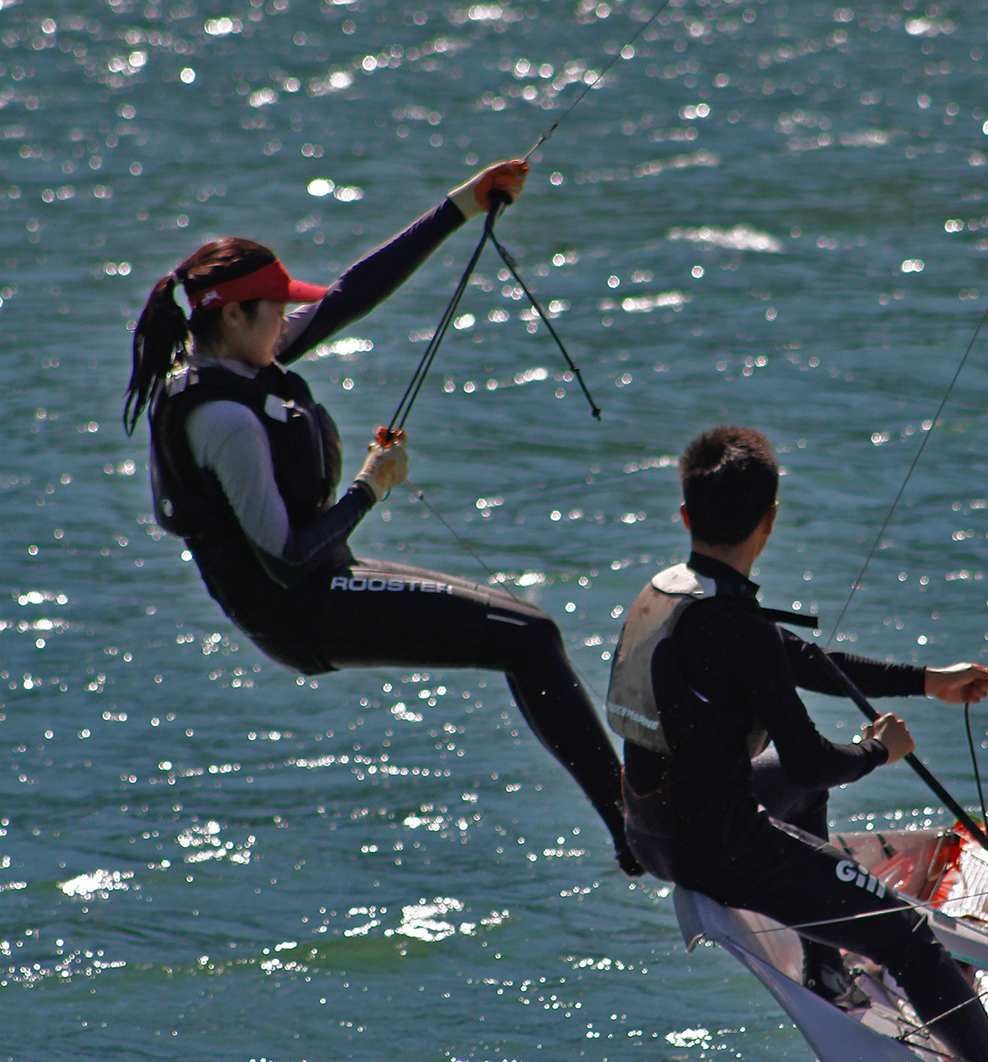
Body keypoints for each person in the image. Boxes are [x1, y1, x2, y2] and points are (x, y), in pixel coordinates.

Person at [123, 159, 638, 871]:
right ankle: (635, 832)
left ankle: (636, 823)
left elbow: (345, 296)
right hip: (303, 607)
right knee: (529, 635)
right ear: (232, 315)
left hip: (326, 581)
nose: (287, 322)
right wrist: (370, 486)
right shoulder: (222, 419)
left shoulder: (240, 355)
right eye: (273, 311)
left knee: (527, 629)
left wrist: (461, 205)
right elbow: (287, 558)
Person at [607, 423, 988, 1062]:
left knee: (793, 802)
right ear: (770, 522)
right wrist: (876, 751)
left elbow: (800, 659)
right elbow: (805, 763)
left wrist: (929, 680)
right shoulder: (740, 632)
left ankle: (825, 969)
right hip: (716, 849)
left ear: (685, 516)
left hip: (646, 831)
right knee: (908, 937)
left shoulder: (674, 594)